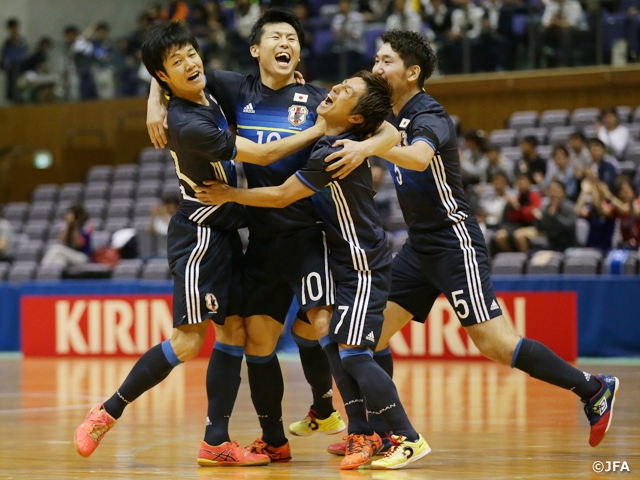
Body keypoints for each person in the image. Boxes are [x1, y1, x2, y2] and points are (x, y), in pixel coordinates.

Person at [324, 29, 619, 452]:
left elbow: (421, 157)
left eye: (385, 61)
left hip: (453, 241)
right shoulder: (386, 115)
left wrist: (372, 149)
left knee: (496, 344)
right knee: (366, 338)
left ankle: (592, 388)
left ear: (412, 72)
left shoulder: (430, 115)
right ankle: (376, 433)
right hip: (418, 246)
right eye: (375, 60)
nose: (376, 68)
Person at [74, 20, 332, 466]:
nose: (190, 63)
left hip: (231, 232)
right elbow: (266, 154)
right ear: (163, 75)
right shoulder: (189, 123)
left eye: (191, 54)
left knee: (234, 333)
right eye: (176, 62)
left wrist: (153, 98)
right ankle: (108, 410)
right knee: (187, 341)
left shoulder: (210, 90)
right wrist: (319, 127)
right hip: (201, 235)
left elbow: (178, 73)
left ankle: (218, 441)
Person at [146, 9, 398, 462]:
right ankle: (275, 439)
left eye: (293, 38)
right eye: (275, 37)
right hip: (260, 239)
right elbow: (175, 68)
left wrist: (365, 146)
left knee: (324, 325)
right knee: (259, 339)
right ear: (256, 50)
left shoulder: (320, 99)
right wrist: (154, 100)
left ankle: (362, 429)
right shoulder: (232, 89)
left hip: (308, 234)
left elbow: (388, 127)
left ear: (299, 51)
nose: (286, 42)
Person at [194, 70, 430, 471]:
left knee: (352, 352)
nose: (335, 88)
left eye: (346, 92)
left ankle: (400, 436)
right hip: (343, 257)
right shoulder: (332, 139)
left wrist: (230, 193)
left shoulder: (333, 149)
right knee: (346, 349)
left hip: (360, 262)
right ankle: (340, 423)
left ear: (356, 117)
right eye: (340, 85)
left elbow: (285, 194)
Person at [493, 173, 543, 253]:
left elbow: (533, 216)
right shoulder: (516, 198)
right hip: (516, 226)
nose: (521, 185)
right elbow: (512, 219)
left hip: (533, 226)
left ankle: (524, 259)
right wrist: (512, 208)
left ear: (529, 183)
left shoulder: (534, 196)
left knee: (518, 235)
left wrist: (519, 208)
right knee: (499, 236)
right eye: (519, 183)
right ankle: (512, 257)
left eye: (523, 182)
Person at [1, 18, 28, 102]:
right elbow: (5, 56)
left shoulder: (21, 40)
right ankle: (15, 99)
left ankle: (20, 99)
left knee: (22, 85)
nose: (14, 29)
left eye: (15, 27)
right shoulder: (7, 42)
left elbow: (24, 52)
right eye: (12, 28)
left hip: (22, 66)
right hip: (12, 67)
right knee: (13, 86)